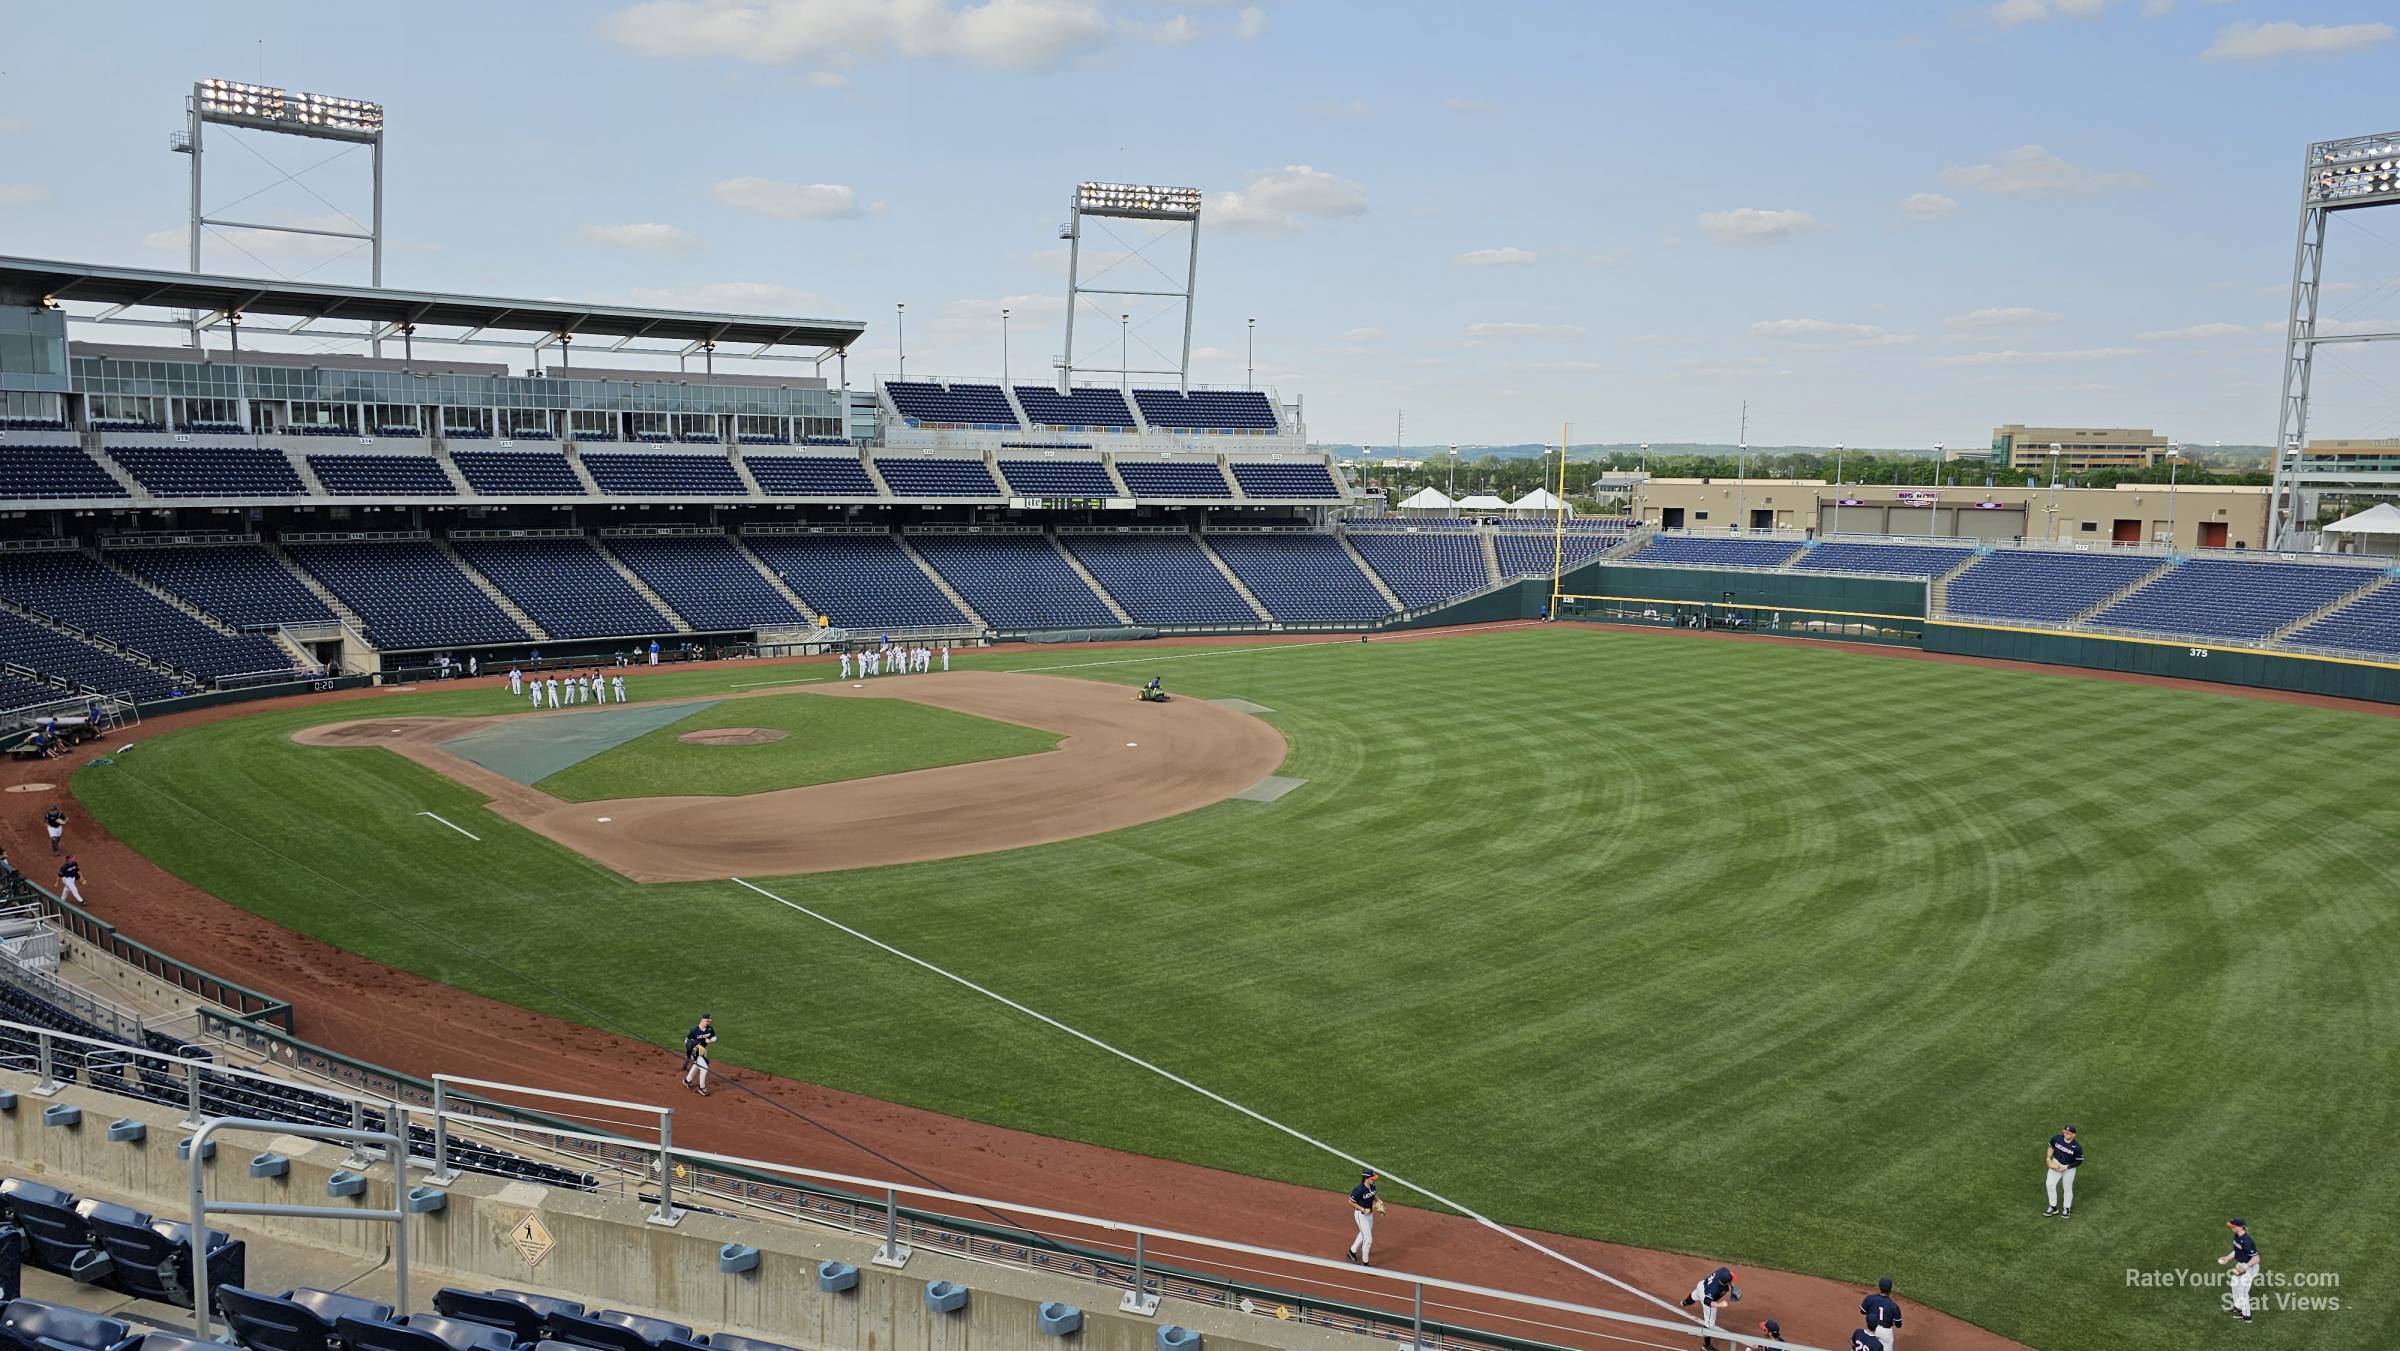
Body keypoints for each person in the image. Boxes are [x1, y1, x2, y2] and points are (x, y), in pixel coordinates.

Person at [1682, 1266, 1737, 1350]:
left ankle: (1685, 1302)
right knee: (1709, 1325)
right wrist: (1719, 1305)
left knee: (1695, 1295)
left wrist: (1732, 1286)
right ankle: (1706, 1346)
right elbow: (1707, 1301)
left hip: (1702, 1285)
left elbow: (1730, 1275)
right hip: (1707, 1297)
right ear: (1725, 1283)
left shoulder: (1723, 1271)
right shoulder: (1714, 1289)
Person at [2219, 1218, 2259, 1322]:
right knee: (2234, 1284)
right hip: (2241, 1264)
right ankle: (2238, 1307)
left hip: (2250, 1266)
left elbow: (2256, 1258)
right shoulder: (2236, 1236)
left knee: (2243, 1291)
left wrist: (2245, 1267)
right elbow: (2237, 1251)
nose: (2231, 1227)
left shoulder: (2247, 1241)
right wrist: (2227, 1257)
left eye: (2233, 1225)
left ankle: (2247, 1316)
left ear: (2240, 1227)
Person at [2044, 1124, 2083, 1218]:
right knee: (2050, 1184)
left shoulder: (2077, 1147)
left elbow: (2079, 1161)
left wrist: (2066, 1167)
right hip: (2056, 1163)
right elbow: (2051, 1145)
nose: (2066, 1134)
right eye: (2065, 1132)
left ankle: (2066, 1208)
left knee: (2067, 1187)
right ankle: (2053, 1206)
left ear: (2073, 1135)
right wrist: (2049, 1158)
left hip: (2069, 1168)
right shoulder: (2057, 1138)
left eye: (2069, 1133)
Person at [1345, 1168, 1381, 1266]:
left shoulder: (1372, 1185)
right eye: (1372, 1178)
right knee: (1368, 1240)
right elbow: (1350, 1201)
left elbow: (1373, 1194)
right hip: (1361, 1216)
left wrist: (1379, 1201)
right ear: (1366, 1178)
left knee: (1363, 1233)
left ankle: (1351, 1252)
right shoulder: (1359, 1189)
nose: (1374, 1179)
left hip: (1370, 1215)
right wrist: (1363, 1209)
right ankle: (1365, 1264)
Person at [1860, 1276, 1901, 1349]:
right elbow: (1898, 1325)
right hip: (1886, 1332)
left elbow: (1862, 1311)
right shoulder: (1893, 1306)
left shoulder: (1870, 1298)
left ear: (1879, 1287)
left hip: (1872, 1328)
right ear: (1890, 1289)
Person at [682, 1014, 717, 1096]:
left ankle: (687, 1080)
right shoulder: (694, 1030)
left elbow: (714, 1037)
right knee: (704, 1068)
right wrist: (697, 1045)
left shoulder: (709, 1029)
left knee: (697, 1065)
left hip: (703, 1051)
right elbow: (686, 1041)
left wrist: (710, 1041)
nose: (708, 1023)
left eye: (710, 1021)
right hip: (694, 1052)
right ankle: (702, 1088)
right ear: (702, 1020)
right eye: (707, 1021)